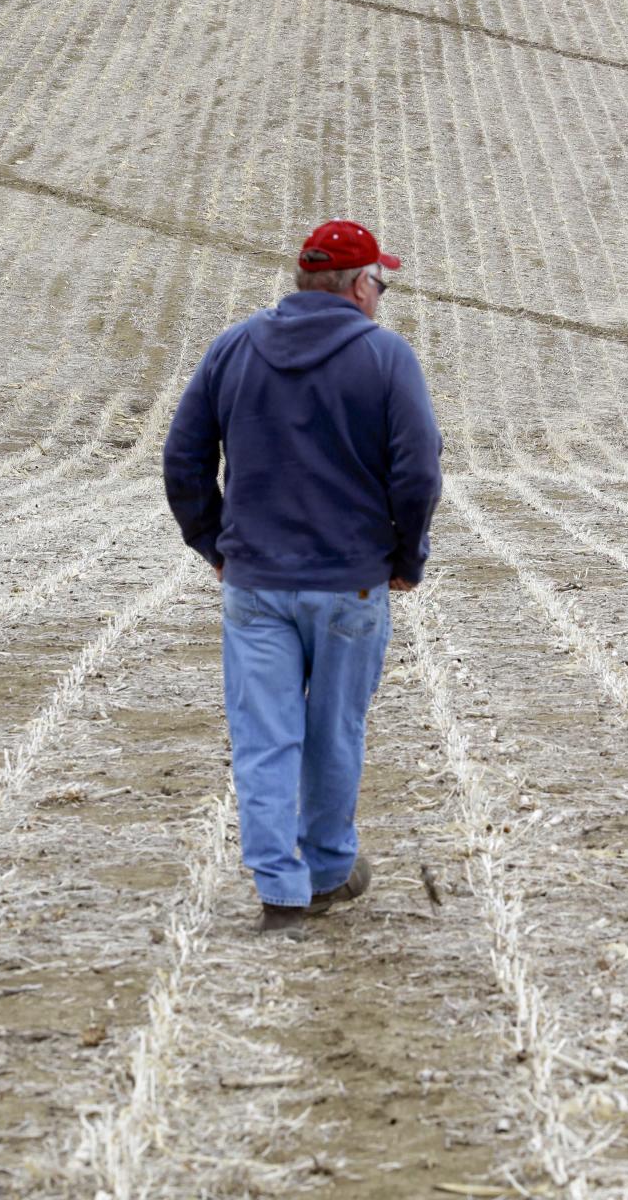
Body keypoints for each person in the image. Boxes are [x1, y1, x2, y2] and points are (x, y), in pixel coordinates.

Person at [162, 220, 442, 936]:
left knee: (264, 737)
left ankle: (280, 890)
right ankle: (327, 869)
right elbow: (418, 474)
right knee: (334, 731)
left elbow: (183, 458)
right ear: (358, 286)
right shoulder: (385, 358)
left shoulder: (234, 347)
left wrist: (213, 542)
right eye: (379, 283)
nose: (380, 296)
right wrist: (406, 559)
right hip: (350, 583)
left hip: (253, 582)